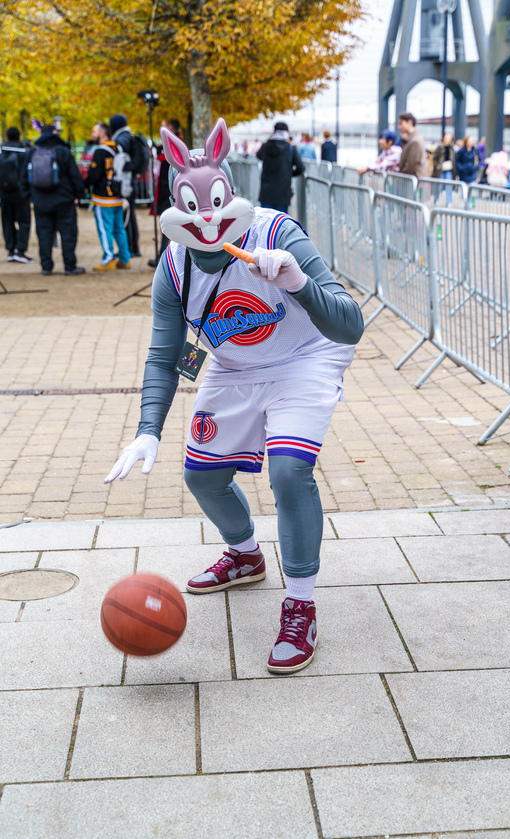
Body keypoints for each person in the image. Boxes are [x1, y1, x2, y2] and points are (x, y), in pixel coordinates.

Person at [104, 118, 364, 675]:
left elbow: (350, 324)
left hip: (304, 359)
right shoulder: (172, 268)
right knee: (201, 477)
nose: (207, 221)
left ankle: (301, 603)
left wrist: (297, 282)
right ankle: (244, 555)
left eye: (216, 205)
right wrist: (148, 427)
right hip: (233, 364)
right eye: (191, 209)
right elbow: (167, 355)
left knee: (290, 471)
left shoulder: (277, 233)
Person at [21, 124, 85, 276]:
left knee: (44, 234)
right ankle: (69, 266)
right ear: (55, 134)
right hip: (64, 200)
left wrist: (29, 197)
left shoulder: (32, 152)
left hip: (41, 201)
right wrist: (78, 195)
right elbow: (74, 176)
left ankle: (46, 266)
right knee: (68, 234)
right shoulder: (63, 151)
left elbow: (23, 178)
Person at [85, 121, 131, 271]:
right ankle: (125, 259)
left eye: (94, 132)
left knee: (105, 229)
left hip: (103, 198)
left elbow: (94, 174)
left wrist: (85, 184)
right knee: (119, 228)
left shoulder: (100, 151)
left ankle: (108, 259)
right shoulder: (118, 148)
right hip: (118, 196)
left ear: (102, 134)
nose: (92, 135)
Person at [110, 114, 147, 258]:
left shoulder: (121, 138)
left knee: (125, 216)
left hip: (126, 184)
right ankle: (134, 247)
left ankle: (129, 248)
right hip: (131, 182)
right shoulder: (128, 136)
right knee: (130, 215)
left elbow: (119, 157)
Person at [148, 119, 181, 268]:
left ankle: (164, 256)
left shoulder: (174, 144)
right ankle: (162, 254)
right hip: (165, 188)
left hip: (169, 189)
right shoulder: (169, 143)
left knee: (169, 224)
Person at [256, 121, 305, 213]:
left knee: (265, 221)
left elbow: (258, 155)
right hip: (283, 191)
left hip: (266, 191)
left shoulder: (266, 146)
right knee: (281, 222)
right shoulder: (290, 148)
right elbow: (301, 168)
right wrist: (289, 173)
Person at [0, 127, 32, 263]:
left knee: (7, 221)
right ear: (19, 137)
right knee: (24, 221)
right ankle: (21, 251)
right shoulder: (24, 152)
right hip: (21, 193)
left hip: (4, 193)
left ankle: (10, 251)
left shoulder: (2, 152)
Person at [397, 112, 428, 178]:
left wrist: (400, 178)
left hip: (413, 182)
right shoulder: (411, 139)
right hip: (412, 182)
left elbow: (410, 166)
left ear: (409, 123)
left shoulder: (415, 141)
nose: (399, 127)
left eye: (401, 123)